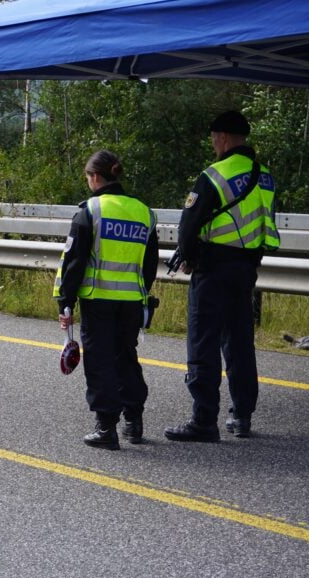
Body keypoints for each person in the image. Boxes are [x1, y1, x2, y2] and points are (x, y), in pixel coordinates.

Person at [164, 111, 280, 442]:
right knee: (240, 341)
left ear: (225, 138)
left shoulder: (215, 175)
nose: (213, 143)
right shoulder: (265, 176)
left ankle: (203, 420)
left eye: (214, 137)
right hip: (245, 269)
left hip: (213, 268)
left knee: (203, 341)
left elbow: (188, 224)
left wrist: (189, 257)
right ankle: (242, 415)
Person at [53, 150, 160, 450]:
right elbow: (149, 264)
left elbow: (74, 262)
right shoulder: (144, 212)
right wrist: (139, 291)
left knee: (100, 361)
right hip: (132, 301)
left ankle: (105, 428)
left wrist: (65, 302)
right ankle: (133, 421)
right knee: (126, 356)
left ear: (95, 177)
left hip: (98, 298)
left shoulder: (91, 210)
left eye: (87, 177)